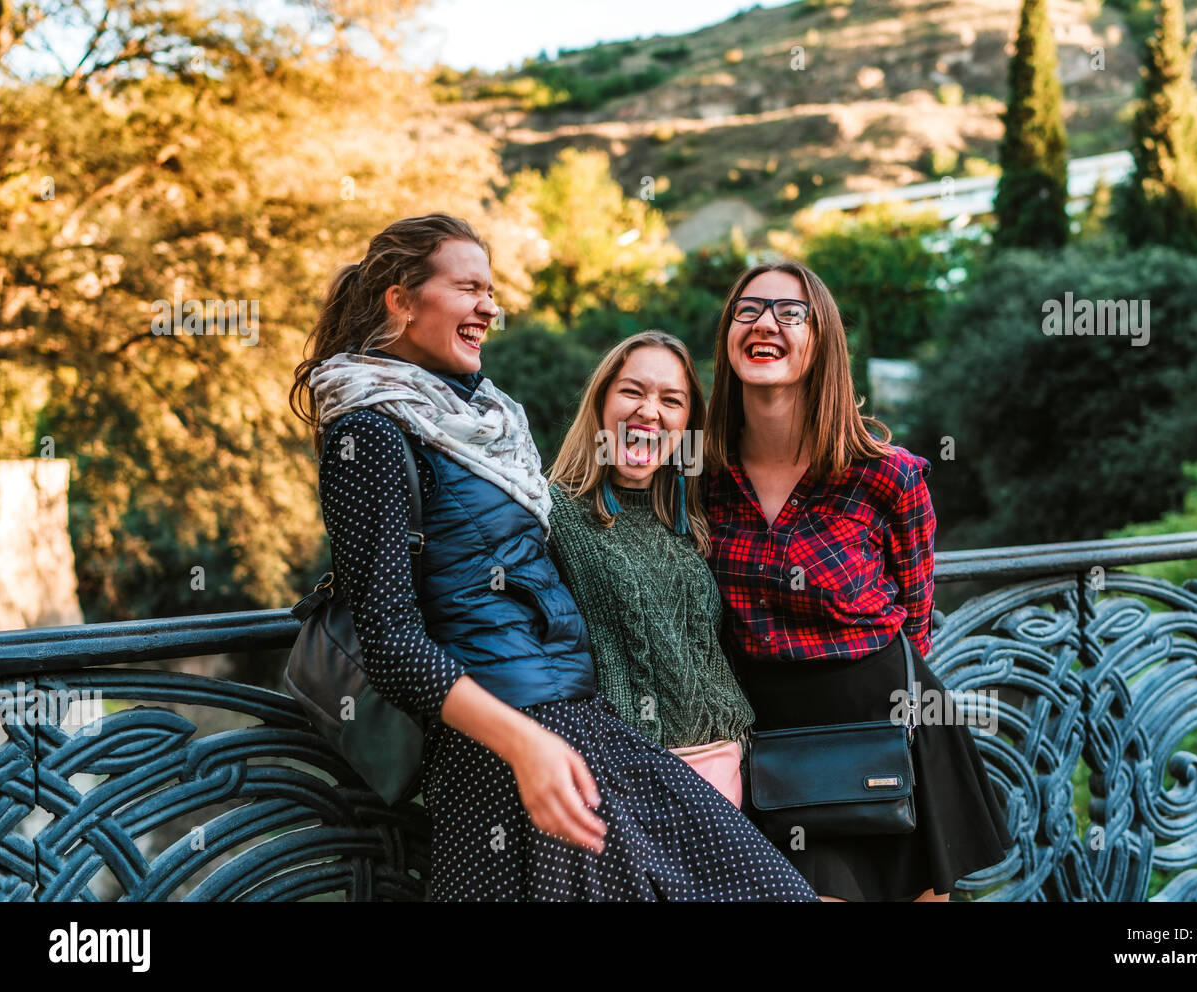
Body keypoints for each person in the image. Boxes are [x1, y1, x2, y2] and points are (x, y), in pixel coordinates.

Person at [288, 213, 818, 901]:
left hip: (576, 722)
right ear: (400, 299)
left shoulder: (480, 423)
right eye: (468, 288)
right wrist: (521, 744)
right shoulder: (367, 433)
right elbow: (390, 639)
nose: (489, 307)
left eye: (491, 290)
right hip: (503, 752)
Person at [702, 259, 1013, 902]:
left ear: (823, 342)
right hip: (773, 741)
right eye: (748, 309)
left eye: (791, 312)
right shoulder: (697, 477)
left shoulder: (886, 476)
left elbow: (917, 614)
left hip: (888, 726)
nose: (766, 323)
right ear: (728, 333)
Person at [547, 330, 753, 809]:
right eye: (633, 391)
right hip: (627, 777)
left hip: (724, 768)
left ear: (687, 424)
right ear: (601, 402)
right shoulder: (552, 513)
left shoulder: (688, 517)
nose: (650, 411)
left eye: (672, 400)